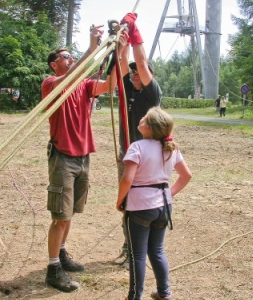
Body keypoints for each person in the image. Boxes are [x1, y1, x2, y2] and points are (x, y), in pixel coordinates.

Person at [41, 26, 128, 292]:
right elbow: (66, 81)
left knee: (69, 214)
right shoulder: (50, 83)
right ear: (54, 64)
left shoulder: (85, 85)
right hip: (63, 156)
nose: (69, 59)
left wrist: (120, 51)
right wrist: (92, 49)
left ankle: (62, 253)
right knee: (60, 215)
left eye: (71, 56)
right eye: (65, 57)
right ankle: (53, 269)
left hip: (83, 157)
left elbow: (115, 80)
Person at [116, 107, 192, 300]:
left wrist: (120, 201)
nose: (141, 118)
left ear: (149, 127)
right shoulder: (170, 148)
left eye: (144, 117)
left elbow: (127, 180)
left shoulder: (137, 147)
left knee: (137, 255)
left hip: (140, 208)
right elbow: (186, 176)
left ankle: (134, 296)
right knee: (157, 251)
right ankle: (164, 293)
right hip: (163, 208)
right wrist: (169, 194)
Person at [114, 12, 162, 268]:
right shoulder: (128, 89)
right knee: (126, 203)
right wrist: (122, 43)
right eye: (132, 74)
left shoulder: (152, 92)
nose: (134, 74)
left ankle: (141, 251)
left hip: (147, 160)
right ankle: (128, 247)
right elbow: (125, 64)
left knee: (143, 205)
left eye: (139, 74)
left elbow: (141, 63)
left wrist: (135, 33)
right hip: (128, 154)